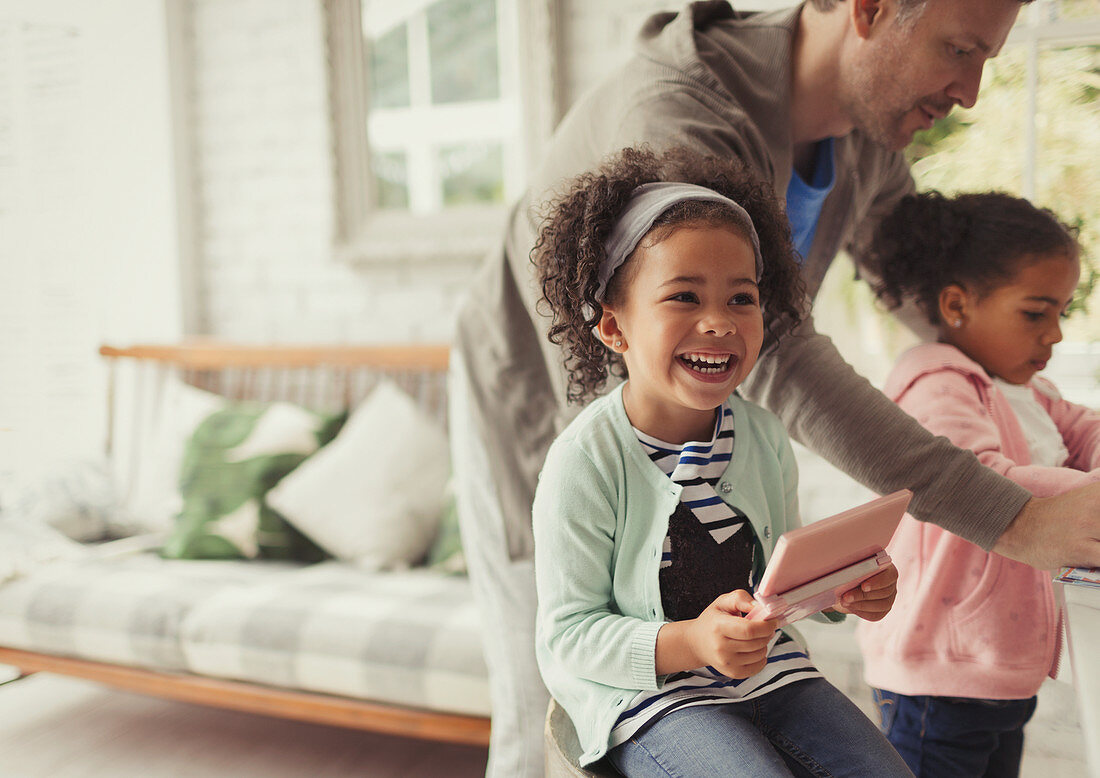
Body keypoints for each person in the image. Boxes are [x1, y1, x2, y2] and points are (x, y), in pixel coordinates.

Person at [447, 1, 1100, 774]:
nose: (971, 92)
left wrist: (1036, 411)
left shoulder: (865, 137)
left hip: (704, 473)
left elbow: (936, 305)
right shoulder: (676, 108)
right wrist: (1012, 516)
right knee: (543, 713)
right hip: (542, 405)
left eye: (986, 57)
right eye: (959, 49)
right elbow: (781, 354)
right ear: (870, 10)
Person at [532, 145, 911, 776]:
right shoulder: (584, 462)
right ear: (614, 328)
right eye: (683, 296)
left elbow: (776, 584)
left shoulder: (761, 436)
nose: (719, 322)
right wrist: (690, 641)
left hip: (771, 677)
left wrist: (844, 590)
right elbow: (566, 637)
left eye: (742, 298)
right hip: (650, 701)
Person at [854, 191, 1100, 777]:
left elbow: (1086, 431)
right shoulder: (936, 382)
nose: (1056, 335)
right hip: (939, 672)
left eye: (1063, 312)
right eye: (1036, 313)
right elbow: (985, 478)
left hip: (1003, 665)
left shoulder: (1029, 392)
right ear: (958, 305)